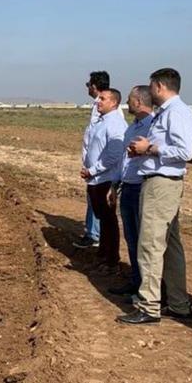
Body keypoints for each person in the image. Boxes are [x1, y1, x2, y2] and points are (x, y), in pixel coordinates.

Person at [117, 68, 192, 325]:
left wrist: (148, 148)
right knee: (171, 246)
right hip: (160, 183)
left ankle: (149, 306)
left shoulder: (177, 112)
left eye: (151, 87)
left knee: (150, 245)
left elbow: (185, 151)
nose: (149, 92)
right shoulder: (168, 113)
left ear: (160, 86)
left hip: (161, 185)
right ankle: (178, 303)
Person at [107, 86, 154, 296]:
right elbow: (123, 161)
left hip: (141, 187)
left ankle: (146, 288)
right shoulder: (132, 128)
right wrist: (114, 184)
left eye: (129, 99)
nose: (127, 103)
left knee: (144, 242)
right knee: (132, 239)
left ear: (138, 101)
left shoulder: (152, 127)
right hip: (127, 187)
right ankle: (136, 281)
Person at [80, 88, 126, 274]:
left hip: (105, 179)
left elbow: (114, 155)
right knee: (103, 219)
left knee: (108, 221)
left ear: (114, 103)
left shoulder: (115, 123)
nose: (98, 101)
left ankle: (112, 261)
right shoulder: (101, 121)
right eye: (99, 98)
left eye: (103, 99)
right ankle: (102, 256)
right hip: (95, 179)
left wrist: (93, 170)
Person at [74, 71, 110, 249]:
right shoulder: (98, 105)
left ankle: (94, 235)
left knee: (97, 198)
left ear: (94, 86)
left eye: (88, 84)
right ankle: (92, 232)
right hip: (94, 165)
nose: (87, 88)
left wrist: (94, 166)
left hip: (100, 166)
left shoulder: (106, 107)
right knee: (93, 197)